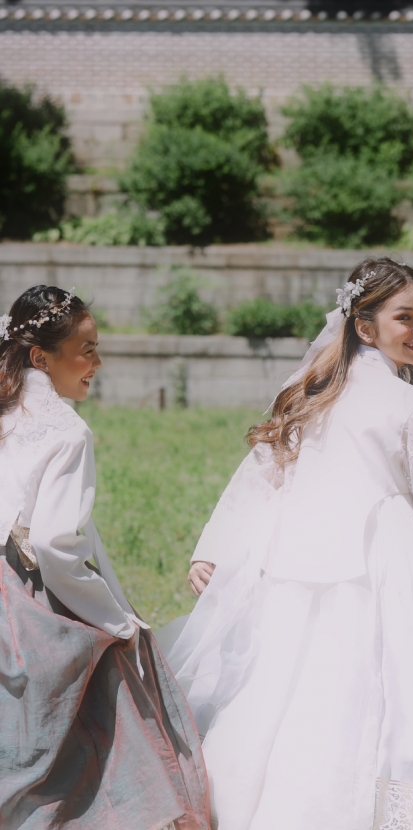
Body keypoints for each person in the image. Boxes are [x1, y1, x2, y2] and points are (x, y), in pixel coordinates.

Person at [162, 258, 413, 830]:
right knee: (340, 692)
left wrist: (212, 542)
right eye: (404, 318)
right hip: (351, 566)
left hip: (334, 563)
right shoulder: (358, 398)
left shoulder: (326, 391)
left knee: (308, 690)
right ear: (365, 327)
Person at [0, 286, 210, 830]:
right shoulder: (67, 431)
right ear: (40, 356)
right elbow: (54, 547)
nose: (97, 362)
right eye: (86, 349)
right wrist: (117, 621)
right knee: (110, 726)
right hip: (31, 601)